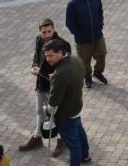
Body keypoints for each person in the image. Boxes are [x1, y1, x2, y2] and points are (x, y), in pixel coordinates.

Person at [19, 19, 69, 156]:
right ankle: (37, 137)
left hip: (55, 86)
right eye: (43, 32)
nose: (46, 35)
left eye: (49, 31)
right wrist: (34, 66)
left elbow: (65, 66)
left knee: (57, 114)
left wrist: (50, 74)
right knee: (40, 111)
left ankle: (61, 140)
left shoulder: (63, 44)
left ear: (54, 29)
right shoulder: (38, 40)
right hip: (41, 84)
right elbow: (36, 56)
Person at [43, 38, 91, 166]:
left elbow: (53, 103)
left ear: (60, 53)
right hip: (77, 106)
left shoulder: (59, 74)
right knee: (80, 131)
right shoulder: (75, 60)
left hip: (66, 114)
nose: (48, 59)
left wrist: (46, 110)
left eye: (50, 55)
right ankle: (85, 156)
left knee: (72, 143)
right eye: (46, 56)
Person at [65, 0, 106, 89]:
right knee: (84, 61)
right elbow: (69, 23)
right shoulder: (72, 5)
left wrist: (100, 25)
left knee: (102, 54)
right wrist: (79, 34)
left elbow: (100, 12)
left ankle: (98, 73)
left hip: (98, 36)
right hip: (83, 41)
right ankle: (87, 77)